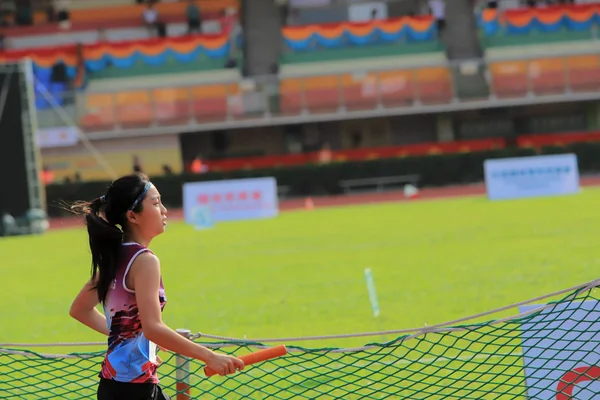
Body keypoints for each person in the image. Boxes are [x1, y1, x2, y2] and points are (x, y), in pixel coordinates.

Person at [69, 173, 244, 400]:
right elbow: (153, 327)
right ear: (132, 216)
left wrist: (134, 338)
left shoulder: (116, 257)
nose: (164, 210)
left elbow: (79, 310)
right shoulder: (145, 261)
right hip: (134, 391)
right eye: (155, 203)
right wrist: (210, 356)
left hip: (115, 385)